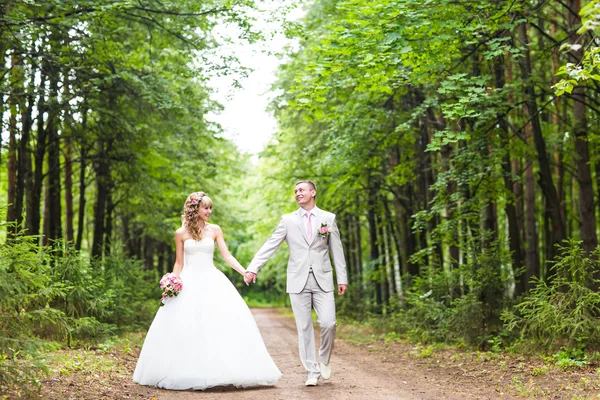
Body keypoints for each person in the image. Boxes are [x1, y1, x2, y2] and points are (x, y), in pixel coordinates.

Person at [133, 192, 281, 390]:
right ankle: (187, 370)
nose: (209, 211)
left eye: (210, 208)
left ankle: (222, 371)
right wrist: (171, 283)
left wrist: (244, 271)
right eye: (205, 208)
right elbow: (179, 262)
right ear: (195, 209)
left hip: (212, 280)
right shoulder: (181, 233)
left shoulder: (215, 230)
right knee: (186, 326)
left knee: (219, 323)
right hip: (188, 281)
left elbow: (227, 256)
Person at [245, 180, 348, 387]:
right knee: (304, 327)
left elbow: (336, 249)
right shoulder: (288, 220)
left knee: (329, 323)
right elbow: (271, 244)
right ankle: (312, 370)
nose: (297, 194)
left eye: (301, 190)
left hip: (323, 279)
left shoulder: (328, 218)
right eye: (295, 191)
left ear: (313, 192)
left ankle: (324, 358)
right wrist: (253, 266)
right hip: (297, 279)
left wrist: (342, 278)